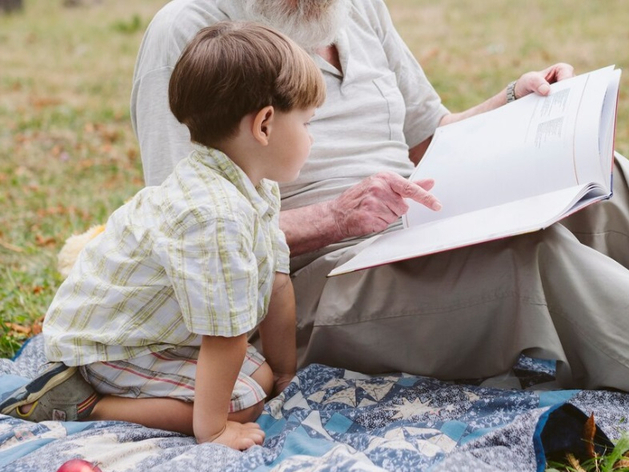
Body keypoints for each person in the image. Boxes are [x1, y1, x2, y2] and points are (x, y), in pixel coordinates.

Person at [127, 0, 629, 392]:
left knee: (608, 180)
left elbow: (430, 136)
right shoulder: (189, 31)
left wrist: (518, 102)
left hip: (415, 224)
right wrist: (334, 219)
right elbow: (182, 231)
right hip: (309, 280)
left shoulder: (356, 9)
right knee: (531, 258)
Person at [0, 21, 326, 450]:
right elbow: (223, 335)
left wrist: (285, 374)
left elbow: (277, 282)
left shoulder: (256, 189)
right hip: (111, 344)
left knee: (261, 377)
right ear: (265, 125)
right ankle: (82, 402)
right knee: (242, 402)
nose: (311, 137)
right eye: (306, 123)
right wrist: (213, 429)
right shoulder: (216, 216)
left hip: (156, 335)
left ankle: (152, 397)